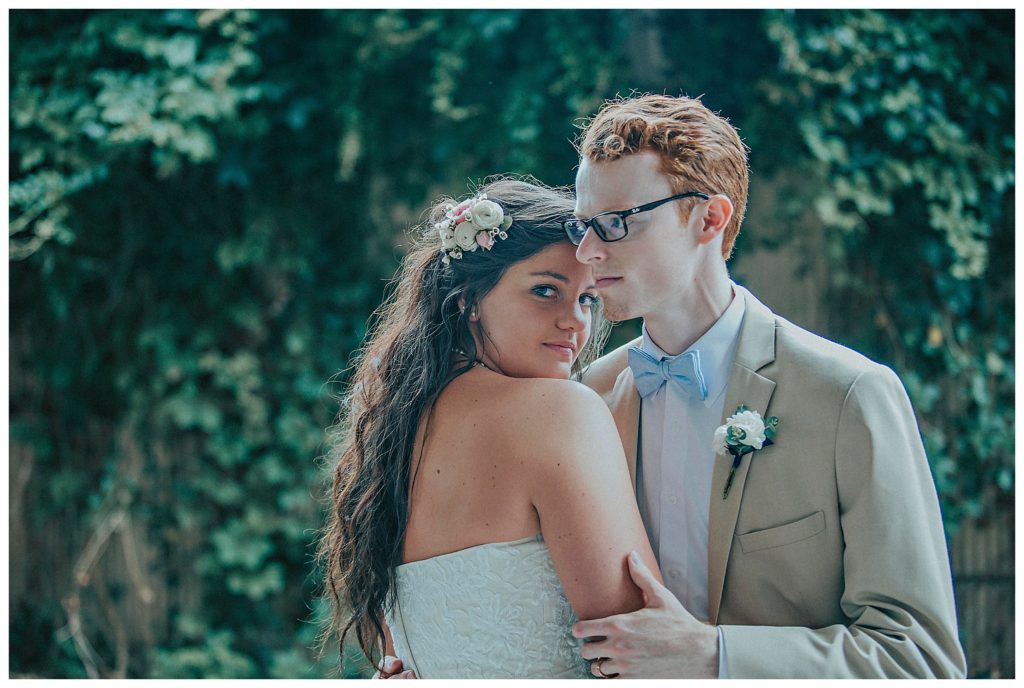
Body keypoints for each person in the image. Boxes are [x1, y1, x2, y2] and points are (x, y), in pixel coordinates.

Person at [564, 94, 967, 678]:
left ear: (709, 219)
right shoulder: (588, 399)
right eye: (583, 225)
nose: (588, 251)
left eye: (617, 223)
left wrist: (713, 655)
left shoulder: (849, 395)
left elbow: (919, 659)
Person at [318, 178, 661, 679]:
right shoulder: (558, 412)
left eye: (587, 299)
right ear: (468, 299)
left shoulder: (395, 427)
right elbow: (644, 645)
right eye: (546, 290)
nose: (575, 322)